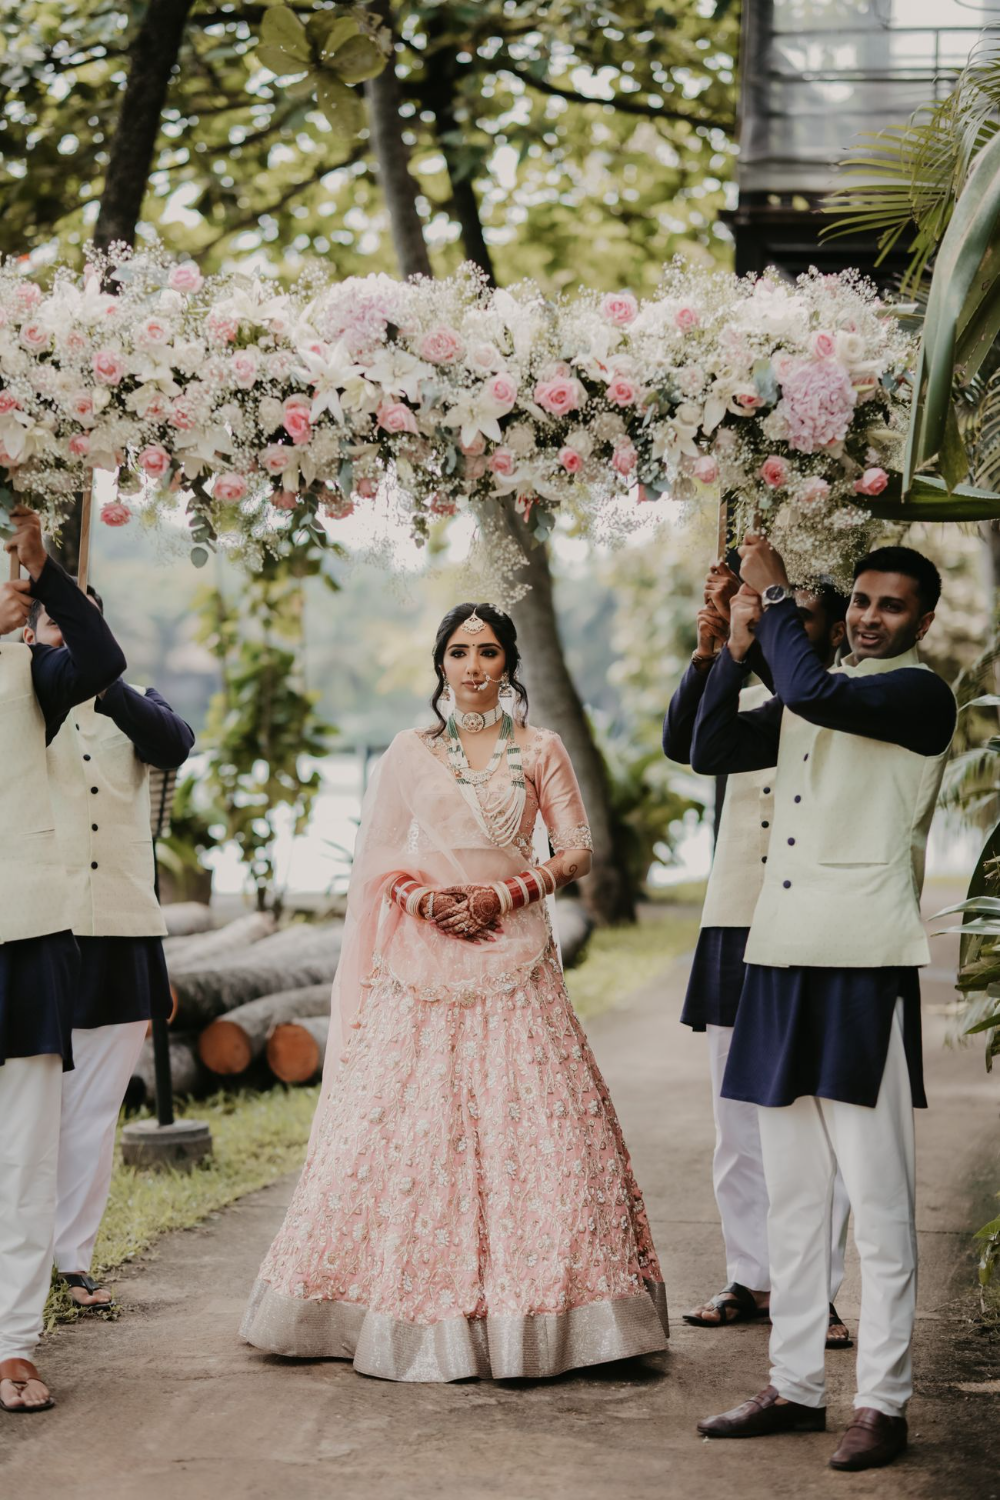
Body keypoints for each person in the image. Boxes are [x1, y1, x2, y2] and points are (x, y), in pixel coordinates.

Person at [241, 603, 668, 1381]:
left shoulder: (540, 749)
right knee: (405, 1128)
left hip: (513, 955)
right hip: (422, 958)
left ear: (509, 665)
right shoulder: (408, 753)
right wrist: (422, 899)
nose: (474, 667)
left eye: (490, 652)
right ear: (440, 665)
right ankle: (375, 1306)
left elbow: (576, 851)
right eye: (460, 652)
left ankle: (549, 1317)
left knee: (533, 1127)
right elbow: (378, 858)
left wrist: (502, 896)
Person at [691, 541, 956, 1472]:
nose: (869, 617)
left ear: (922, 621)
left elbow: (816, 695)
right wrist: (733, 646)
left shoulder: (917, 697)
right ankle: (795, 1385)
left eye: (891, 607)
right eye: (864, 603)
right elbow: (710, 746)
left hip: (859, 964)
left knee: (877, 1202)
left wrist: (770, 593)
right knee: (796, 1198)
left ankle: (883, 1402)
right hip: (778, 959)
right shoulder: (819, 687)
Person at [663, 563, 851, 1346]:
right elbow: (686, 745)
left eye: (802, 618)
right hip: (736, 921)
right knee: (736, 1121)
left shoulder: (846, 699)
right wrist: (715, 651)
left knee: (815, 1120)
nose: (789, 628)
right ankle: (750, 1276)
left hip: (814, 925)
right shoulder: (737, 692)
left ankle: (818, 1293)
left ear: (833, 631)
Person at [24, 594, 195, 1311]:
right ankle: (22, 1260)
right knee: (34, 1106)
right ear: (31, 632)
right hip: (43, 929)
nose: (66, 633)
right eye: (55, 620)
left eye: (81, 621)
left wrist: (105, 677)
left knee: (95, 1111)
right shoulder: (21, 704)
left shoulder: (136, 706)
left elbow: (176, 743)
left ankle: (73, 1260)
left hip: (125, 930)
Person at [0, 507, 126, 1416]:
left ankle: (11, 1344)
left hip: (26, 928)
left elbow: (104, 663)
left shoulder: (32, 675)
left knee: (24, 1153)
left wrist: (49, 578)